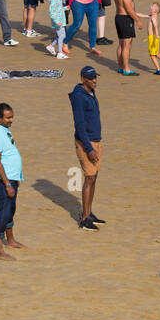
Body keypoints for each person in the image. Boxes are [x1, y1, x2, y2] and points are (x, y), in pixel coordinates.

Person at [0, 103, 24, 262]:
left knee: (10, 210)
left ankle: (10, 240)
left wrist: (17, 178)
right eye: (8, 117)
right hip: (3, 182)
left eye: (12, 117)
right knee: (2, 213)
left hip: (12, 179)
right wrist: (7, 183)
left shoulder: (4, 130)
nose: (11, 120)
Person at [69, 66, 103, 231]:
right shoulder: (79, 97)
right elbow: (80, 124)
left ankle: (89, 213)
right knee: (89, 178)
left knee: (94, 176)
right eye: (91, 78)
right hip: (86, 143)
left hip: (95, 140)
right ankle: (84, 218)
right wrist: (89, 148)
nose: (94, 80)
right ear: (83, 79)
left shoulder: (90, 91)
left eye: (95, 77)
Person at [112, 0, 144, 75]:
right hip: (125, 19)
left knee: (121, 43)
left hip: (118, 17)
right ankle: (126, 69)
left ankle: (121, 67)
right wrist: (138, 21)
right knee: (126, 44)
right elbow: (129, 9)